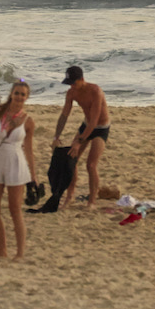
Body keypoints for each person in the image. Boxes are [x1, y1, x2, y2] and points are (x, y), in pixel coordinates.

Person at [0, 81, 38, 259]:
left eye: (23, 94)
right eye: (17, 93)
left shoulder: (28, 121)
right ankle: (2, 249)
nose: (19, 97)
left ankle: (20, 252)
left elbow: (29, 149)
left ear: (27, 97)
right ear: (11, 94)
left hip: (16, 161)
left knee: (15, 209)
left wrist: (33, 175)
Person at [53, 65, 110, 209]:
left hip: (100, 128)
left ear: (82, 79)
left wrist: (79, 142)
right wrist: (56, 135)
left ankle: (92, 201)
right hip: (86, 125)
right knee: (71, 158)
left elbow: (94, 121)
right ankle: (70, 196)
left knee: (91, 164)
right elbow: (64, 114)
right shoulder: (71, 93)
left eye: (74, 83)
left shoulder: (95, 91)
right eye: (69, 83)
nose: (72, 86)